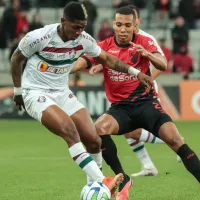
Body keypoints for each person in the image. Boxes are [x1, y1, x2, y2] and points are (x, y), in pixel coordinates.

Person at [10, 2, 153, 196]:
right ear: (63, 21)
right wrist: (18, 91)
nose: (79, 31)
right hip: (35, 92)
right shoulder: (39, 37)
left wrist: (136, 73)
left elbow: (109, 60)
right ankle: (102, 181)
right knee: (69, 130)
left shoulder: (84, 40)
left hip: (61, 92)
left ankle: (94, 190)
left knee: (93, 139)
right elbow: (16, 58)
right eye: (75, 26)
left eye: (83, 27)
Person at [72, 6, 200, 200]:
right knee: (97, 130)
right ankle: (122, 178)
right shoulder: (104, 45)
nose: (123, 29)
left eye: (127, 25)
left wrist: (147, 55)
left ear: (135, 25)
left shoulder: (145, 41)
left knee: (175, 140)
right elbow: (85, 60)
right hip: (121, 108)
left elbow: (163, 64)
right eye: (119, 25)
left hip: (146, 104)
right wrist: (67, 68)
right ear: (114, 25)